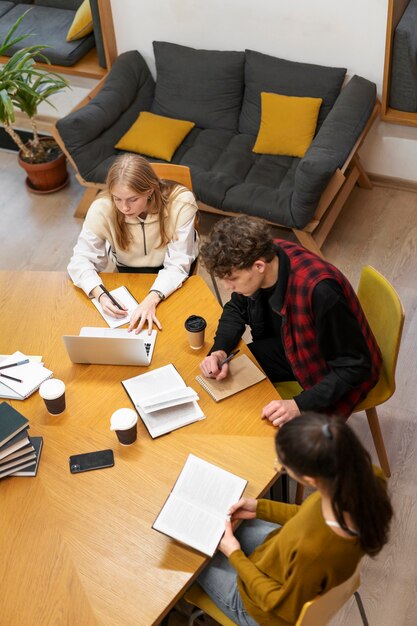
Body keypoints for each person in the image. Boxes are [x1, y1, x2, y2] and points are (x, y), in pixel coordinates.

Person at [197, 412, 393, 626]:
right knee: (229, 532)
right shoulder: (363, 478)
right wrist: (260, 508)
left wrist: (235, 555)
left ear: (309, 479)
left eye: (283, 465)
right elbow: (308, 514)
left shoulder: (313, 552)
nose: (280, 466)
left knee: (192, 557)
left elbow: (278, 604)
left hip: (260, 608)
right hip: (282, 562)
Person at [199, 215, 382, 425]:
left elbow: (355, 367)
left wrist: (299, 404)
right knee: (229, 385)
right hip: (292, 345)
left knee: (282, 439)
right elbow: (236, 308)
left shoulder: (321, 291)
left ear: (259, 266)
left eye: (232, 279)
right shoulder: (266, 256)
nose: (227, 287)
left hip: (332, 368)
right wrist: (220, 351)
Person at [68, 154, 199, 333]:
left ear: (149, 190)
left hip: (174, 276)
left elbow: (178, 264)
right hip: (127, 272)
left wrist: (151, 299)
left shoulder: (181, 202)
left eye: (132, 199)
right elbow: (80, 260)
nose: (124, 208)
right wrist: (101, 295)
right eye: (117, 199)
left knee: (170, 331)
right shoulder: (102, 207)